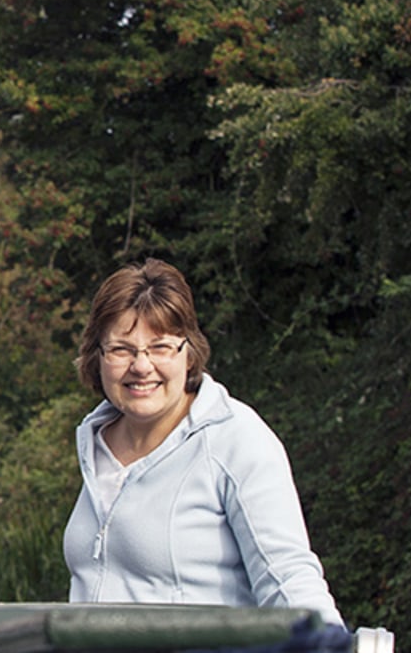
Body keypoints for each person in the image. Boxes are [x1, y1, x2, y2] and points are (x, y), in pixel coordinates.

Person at [63, 258, 345, 628]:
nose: (141, 366)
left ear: (189, 351)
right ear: (97, 356)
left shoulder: (235, 438)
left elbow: (287, 576)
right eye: (121, 349)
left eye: (161, 347)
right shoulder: (95, 439)